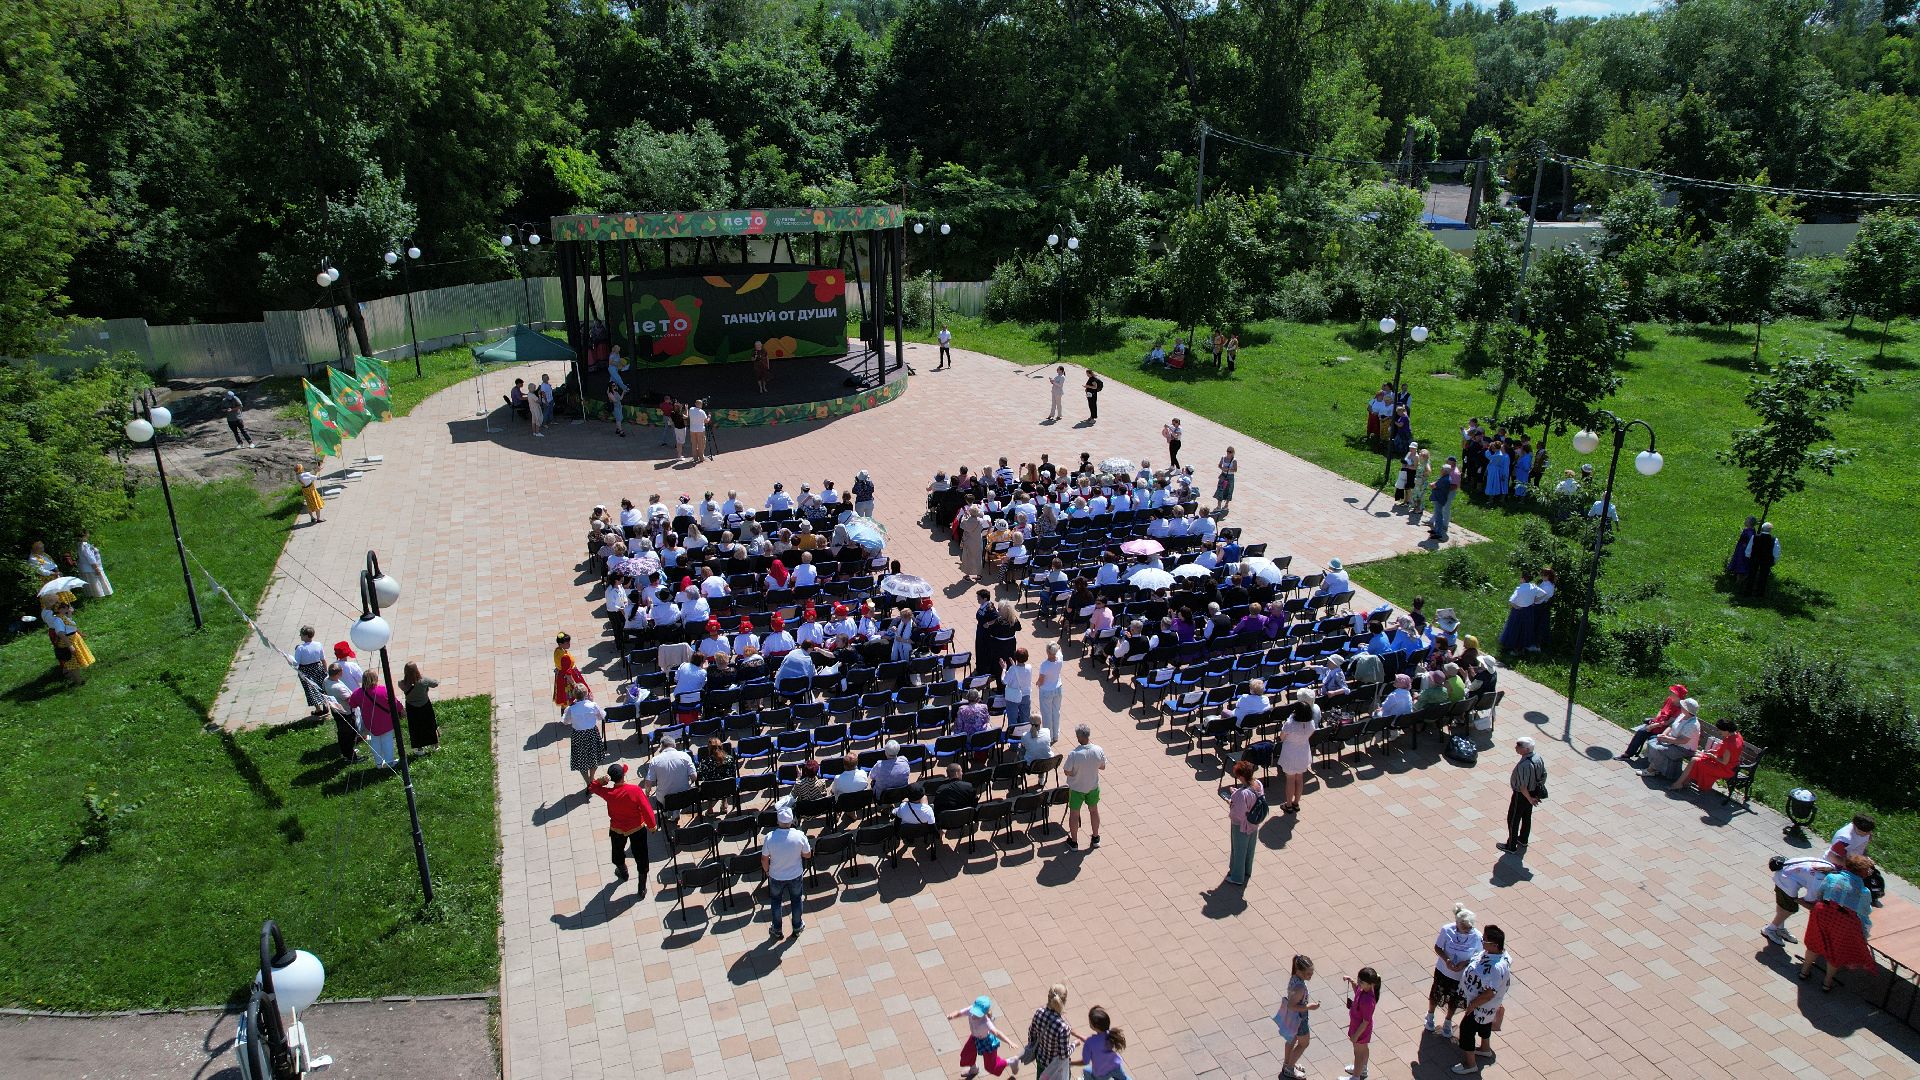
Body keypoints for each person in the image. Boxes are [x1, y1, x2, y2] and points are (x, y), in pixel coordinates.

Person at [1801, 854, 1876, 992]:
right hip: (1843, 921)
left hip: (1823, 912)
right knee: (1835, 950)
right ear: (1862, 873)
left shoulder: (1831, 878)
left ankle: (1804, 971)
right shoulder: (1863, 892)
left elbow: (1820, 895)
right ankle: (1827, 983)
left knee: (1815, 942)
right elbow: (1865, 911)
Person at [1452, 925, 1511, 1075]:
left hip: (1481, 1005)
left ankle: (1470, 1064)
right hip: (1485, 1007)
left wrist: (1473, 1005)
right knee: (1484, 1024)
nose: (1482, 942)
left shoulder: (1496, 967)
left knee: (1466, 1029)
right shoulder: (1495, 954)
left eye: (1484, 940)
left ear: (1495, 945)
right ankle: (1485, 1049)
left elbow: (1490, 993)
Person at [589, 762, 656, 884]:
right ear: (623, 775)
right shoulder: (635, 790)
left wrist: (602, 781)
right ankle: (642, 886)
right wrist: (652, 826)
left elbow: (592, 787)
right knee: (641, 855)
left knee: (617, 852)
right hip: (637, 828)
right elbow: (647, 809)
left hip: (617, 829)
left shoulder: (609, 794)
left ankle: (623, 873)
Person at [1427, 903, 1482, 1038]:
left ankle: (1448, 1021)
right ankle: (1430, 1015)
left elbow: (1479, 955)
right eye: (1465, 927)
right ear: (1457, 923)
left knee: (1455, 999)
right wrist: (1447, 960)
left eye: (1470, 927)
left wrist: (1466, 963)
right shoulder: (1447, 930)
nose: (1468, 930)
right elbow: (1438, 947)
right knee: (1436, 993)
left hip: (1460, 975)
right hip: (1443, 971)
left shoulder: (1477, 936)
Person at [762, 807, 812, 939]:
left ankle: (777, 929)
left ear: (778, 821)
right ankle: (797, 926)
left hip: (776, 875)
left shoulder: (770, 837)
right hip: (795, 875)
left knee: (776, 902)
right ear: (791, 821)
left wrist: (767, 871)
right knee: (796, 900)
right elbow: (807, 855)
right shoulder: (799, 836)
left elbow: (764, 858)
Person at [1766, 855, 1834, 946]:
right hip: (1785, 878)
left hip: (1788, 870)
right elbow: (1807, 901)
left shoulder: (1831, 869)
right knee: (1790, 908)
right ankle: (1770, 930)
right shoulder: (1819, 884)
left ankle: (1779, 928)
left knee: (1784, 905)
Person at [1062, 724, 1106, 849]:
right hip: (1093, 787)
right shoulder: (1098, 749)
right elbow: (1102, 766)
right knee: (1094, 811)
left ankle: (1074, 842)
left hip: (1076, 789)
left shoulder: (1074, 754)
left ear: (1079, 737)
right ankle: (1096, 837)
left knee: (1074, 814)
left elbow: (1067, 771)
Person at [947, 995, 1011, 1079]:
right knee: (966, 1054)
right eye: (975, 1011)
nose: (974, 1015)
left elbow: (997, 1033)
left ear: (984, 1013)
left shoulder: (986, 1022)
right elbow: (960, 1013)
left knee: (990, 1066)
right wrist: (952, 1015)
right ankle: (974, 1069)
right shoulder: (971, 1010)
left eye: (978, 1014)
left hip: (987, 1042)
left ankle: (1010, 1061)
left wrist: (1009, 1041)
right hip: (974, 1037)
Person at [1621, 684, 1691, 762]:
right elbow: (1661, 711)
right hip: (1657, 723)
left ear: (1678, 696)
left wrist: (1654, 725)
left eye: (1673, 693)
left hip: (1664, 729)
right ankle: (1628, 754)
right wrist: (1656, 719)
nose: (1670, 694)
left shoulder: (1680, 709)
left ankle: (1651, 764)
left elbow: (1669, 723)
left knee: (1651, 738)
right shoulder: (1669, 699)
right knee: (1641, 732)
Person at [1499, 738, 1545, 854]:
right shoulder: (1538, 758)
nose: (1516, 747)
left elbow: (1522, 786)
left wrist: (1529, 799)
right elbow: (1544, 775)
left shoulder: (1524, 765)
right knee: (1526, 817)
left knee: (1513, 819)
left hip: (1522, 795)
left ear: (1527, 749)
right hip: (1533, 792)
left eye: (1519, 746)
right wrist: (1534, 795)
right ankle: (1523, 839)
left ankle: (1511, 846)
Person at [1021, 984, 1077, 1080]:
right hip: (1055, 1067)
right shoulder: (1063, 1028)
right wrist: (1074, 1044)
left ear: (1048, 997)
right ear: (1064, 1001)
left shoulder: (1039, 1012)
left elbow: (1031, 1035)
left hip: (1041, 1060)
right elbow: (1063, 1054)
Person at [1275, 955, 1317, 1080]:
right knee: (1304, 1043)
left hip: (1292, 1018)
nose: (1310, 976)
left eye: (1312, 972)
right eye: (1308, 973)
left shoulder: (1294, 978)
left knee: (1291, 1040)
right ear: (1299, 971)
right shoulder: (1300, 988)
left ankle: (1287, 1064)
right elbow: (1292, 1006)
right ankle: (1289, 1069)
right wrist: (1309, 1007)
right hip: (1300, 1018)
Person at [349, 669, 401, 767]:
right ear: (375, 679)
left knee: (375, 742)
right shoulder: (383, 690)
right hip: (386, 722)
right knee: (387, 741)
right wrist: (401, 709)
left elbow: (352, 704)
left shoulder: (357, 693)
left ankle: (378, 763)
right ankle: (389, 762)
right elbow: (394, 703)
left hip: (370, 723)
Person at [1676, 718, 1743, 793]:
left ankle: (1679, 783)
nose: (1719, 732)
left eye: (1720, 730)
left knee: (1695, 760)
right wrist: (1715, 751)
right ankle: (1684, 782)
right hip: (1730, 765)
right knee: (1698, 757)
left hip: (1724, 768)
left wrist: (1713, 756)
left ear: (1726, 730)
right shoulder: (1737, 737)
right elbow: (1730, 753)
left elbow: (1724, 762)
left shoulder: (1729, 743)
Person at [1641, 698, 1701, 781]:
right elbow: (1671, 726)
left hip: (1684, 748)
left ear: (1687, 710)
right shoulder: (1682, 715)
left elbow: (1683, 741)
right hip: (1674, 742)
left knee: (1658, 749)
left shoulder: (1692, 725)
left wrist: (1667, 739)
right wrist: (1664, 734)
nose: (1681, 706)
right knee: (1652, 742)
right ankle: (1657, 768)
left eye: (1683, 706)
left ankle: (1651, 770)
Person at [1225, 759, 1264, 886]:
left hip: (1241, 826)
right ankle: (1247, 870)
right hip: (1255, 822)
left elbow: (1237, 814)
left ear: (1241, 776)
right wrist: (1237, 793)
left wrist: (1231, 801)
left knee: (1239, 850)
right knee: (1250, 848)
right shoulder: (1258, 784)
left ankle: (1237, 876)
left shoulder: (1241, 794)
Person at [1278, 692, 1317, 813]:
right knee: (1299, 779)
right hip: (1303, 753)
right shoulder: (1311, 723)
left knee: (1290, 780)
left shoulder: (1290, 724)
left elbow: (1282, 738)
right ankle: (1296, 803)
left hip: (1290, 753)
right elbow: (1310, 735)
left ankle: (1288, 804)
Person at [1342, 967, 1380, 1080]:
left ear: (1371, 984)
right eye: (1358, 980)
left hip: (1360, 1030)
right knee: (1363, 1049)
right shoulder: (1364, 989)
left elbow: (1365, 1022)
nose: (1359, 983)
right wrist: (1351, 981)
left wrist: (1355, 1035)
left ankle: (1356, 1076)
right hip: (1357, 1026)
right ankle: (1362, 1069)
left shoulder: (1368, 1001)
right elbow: (1357, 989)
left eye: (1361, 982)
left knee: (1358, 1053)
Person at [43, 601, 95, 684]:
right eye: (64, 607)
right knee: (73, 663)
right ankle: (78, 681)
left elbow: (70, 625)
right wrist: (70, 646)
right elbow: (61, 634)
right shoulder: (57, 620)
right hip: (69, 642)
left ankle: (75, 679)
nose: (67, 608)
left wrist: (80, 633)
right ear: (59, 610)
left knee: (75, 662)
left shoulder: (63, 617)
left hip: (74, 640)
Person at [1076, 1005, 1132, 1080]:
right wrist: (1077, 1035)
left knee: (1086, 1070)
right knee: (1124, 1078)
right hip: (1115, 1065)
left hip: (1101, 1073)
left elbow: (1085, 1061)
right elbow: (1095, 1042)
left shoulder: (1091, 1042)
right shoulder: (1111, 1035)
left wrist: (1070, 1063)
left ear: (1094, 1026)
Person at [399, 661, 440, 751]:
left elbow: (402, 685)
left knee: (415, 728)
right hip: (425, 705)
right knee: (430, 724)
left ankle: (419, 748)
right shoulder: (423, 681)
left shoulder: (402, 683)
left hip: (411, 708)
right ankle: (435, 745)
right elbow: (435, 683)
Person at [1496, 571, 1539, 654]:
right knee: (1525, 628)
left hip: (1518, 611)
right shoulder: (1534, 587)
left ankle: (1511, 647)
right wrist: (1534, 601)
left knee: (1514, 628)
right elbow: (1544, 594)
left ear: (1523, 579)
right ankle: (1522, 647)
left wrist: (1516, 607)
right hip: (1528, 611)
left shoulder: (1519, 589)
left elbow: (1511, 600)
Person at [1036, 642, 1066, 744]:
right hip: (1058, 688)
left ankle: (1049, 736)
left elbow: (1041, 680)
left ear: (1048, 652)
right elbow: (1060, 648)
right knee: (1056, 712)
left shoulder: (1044, 665)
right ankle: (1056, 735)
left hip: (1046, 691)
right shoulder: (1060, 659)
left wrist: (1038, 683)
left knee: (1047, 714)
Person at [1743, 522, 1780, 596]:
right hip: (1766, 560)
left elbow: (1749, 548)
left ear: (1762, 528)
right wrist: (1774, 560)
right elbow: (1776, 551)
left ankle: (1748, 591)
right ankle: (1760, 593)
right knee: (1763, 576)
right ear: (1770, 530)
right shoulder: (1774, 539)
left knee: (1751, 575)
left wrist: (1748, 556)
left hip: (1754, 558)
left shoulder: (1755, 537)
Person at [1003, 647, 1034, 733]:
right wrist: (1014, 665)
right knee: (1025, 720)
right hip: (1025, 696)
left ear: (1015, 658)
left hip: (1013, 697)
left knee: (1013, 720)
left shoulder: (1012, 669)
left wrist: (1004, 669)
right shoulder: (1029, 667)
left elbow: (1004, 681)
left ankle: (1014, 743)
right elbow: (1019, 671)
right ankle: (1025, 740)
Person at [1427, 462, 1457, 541]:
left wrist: (1431, 484)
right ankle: (1436, 529)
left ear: (1445, 471)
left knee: (1439, 516)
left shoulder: (1444, 480)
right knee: (1437, 515)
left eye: (1442, 469)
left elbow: (1433, 486)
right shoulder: (1445, 477)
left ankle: (1439, 533)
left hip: (1439, 499)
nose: (1440, 470)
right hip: (1439, 498)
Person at [1213, 446, 1238, 514]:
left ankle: (1226, 504)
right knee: (1220, 489)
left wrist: (1229, 469)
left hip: (1230, 476)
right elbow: (1219, 465)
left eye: (1230, 452)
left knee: (1229, 490)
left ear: (1233, 453)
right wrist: (1222, 468)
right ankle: (1219, 506)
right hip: (1223, 475)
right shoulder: (1223, 458)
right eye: (1227, 451)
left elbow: (1235, 470)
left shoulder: (1234, 460)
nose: (1228, 453)